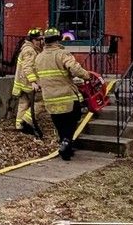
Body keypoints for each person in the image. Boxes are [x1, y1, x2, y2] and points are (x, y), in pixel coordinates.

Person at [34, 27, 95, 161]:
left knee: (59, 124)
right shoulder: (62, 54)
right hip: (66, 97)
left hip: (49, 99)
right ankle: (67, 142)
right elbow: (75, 69)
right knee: (75, 116)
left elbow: (38, 77)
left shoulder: (39, 58)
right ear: (58, 39)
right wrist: (87, 76)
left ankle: (66, 149)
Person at [12, 28, 45, 136]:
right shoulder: (30, 51)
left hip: (22, 84)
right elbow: (28, 67)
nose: (40, 42)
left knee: (23, 104)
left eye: (41, 39)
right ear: (32, 40)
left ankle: (19, 127)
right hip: (28, 84)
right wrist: (33, 82)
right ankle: (26, 121)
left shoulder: (27, 48)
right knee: (42, 102)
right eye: (38, 40)